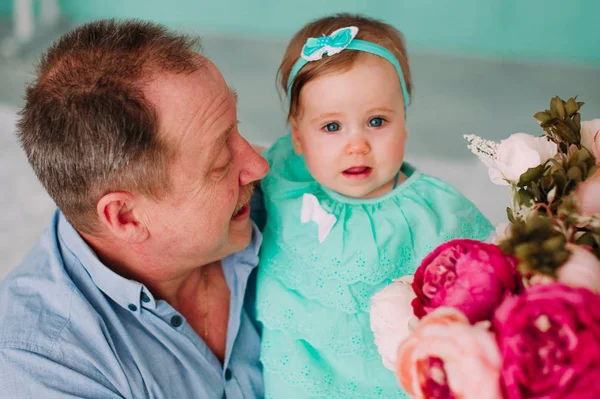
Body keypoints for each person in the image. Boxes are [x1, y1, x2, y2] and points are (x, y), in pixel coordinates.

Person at [0, 19, 269, 398]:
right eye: (222, 164)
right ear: (126, 217)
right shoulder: (45, 366)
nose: (259, 166)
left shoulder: (296, 203)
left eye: (235, 128)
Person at [255, 14, 493, 398]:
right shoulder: (286, 179)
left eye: (377, 121)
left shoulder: (433, 213)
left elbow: (487, 275)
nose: (357, 145)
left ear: (405, 123)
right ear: (298, 138)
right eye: (331, 127)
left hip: (385, 383)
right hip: (294, 375)